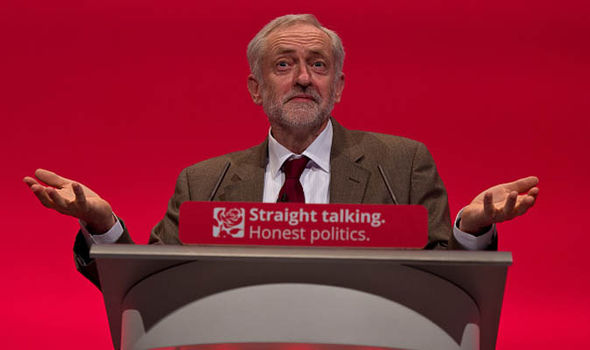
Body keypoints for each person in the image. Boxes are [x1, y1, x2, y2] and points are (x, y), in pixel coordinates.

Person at [23, 14, 539, 286]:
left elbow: (445, 282)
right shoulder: (205, 183)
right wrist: (103, 225)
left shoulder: (400, 165)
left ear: (338, 86)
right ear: (255, 88)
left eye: (318, 65)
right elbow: (151, 282)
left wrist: (471, 233)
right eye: (284, 65)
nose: (303, 79)